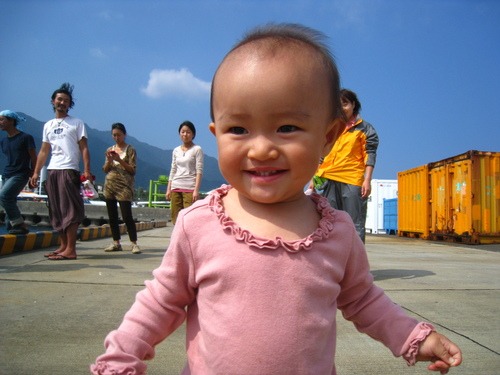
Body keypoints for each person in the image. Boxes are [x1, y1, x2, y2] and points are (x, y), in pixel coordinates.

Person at [91, 24, 461, 375]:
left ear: (328, 136)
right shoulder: (198, 224)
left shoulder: (338, 233)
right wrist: (121, 356)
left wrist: (415, 336)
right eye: (238, 129)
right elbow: (161, 301)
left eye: (286, 128)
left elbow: (364, 301)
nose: (262, 148)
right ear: (216, 134)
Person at [30, 83, 92, 261]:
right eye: (59, 99)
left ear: (70, 104)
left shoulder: (77, 123)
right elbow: (44, 151)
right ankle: (63, 245)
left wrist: (87, 169)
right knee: (56, 210)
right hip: (52, 170)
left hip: (69, 169)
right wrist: (35, 172)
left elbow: (84, 148)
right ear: (53, 101)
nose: (62, 102)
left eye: (66, 100)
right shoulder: (48, 125)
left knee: (70, 210)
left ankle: (71, 249)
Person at [312, 88, 379, 243]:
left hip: (351, 179)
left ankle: (355, 265)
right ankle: (333, 263)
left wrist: (367, 180)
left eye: (345, 103)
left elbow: (370, 154)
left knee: (354, 223)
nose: (342, 108)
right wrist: (313, 180)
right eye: (338, 104)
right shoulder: (331, 127)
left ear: (353, 105)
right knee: (328, 220)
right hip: (325, 178)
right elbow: (321, 155)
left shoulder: (365, 129)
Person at [102, 122, 141, 254]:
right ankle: (116, 242)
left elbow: (132, 170)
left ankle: (134, 243)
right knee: (112, 216)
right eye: (114, 135)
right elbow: (105, 169)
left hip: (124, 186)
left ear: (124, 135)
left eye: (119, 135)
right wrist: (109, 161)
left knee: (126, 216)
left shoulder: (130, 150)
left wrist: (119, 160)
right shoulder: (109, 150)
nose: (116, 137)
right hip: (110, 185)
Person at [0, 110, 37, 234]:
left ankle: (19, 224)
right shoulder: (3, 141)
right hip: (7, 174)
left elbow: (33, 157)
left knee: (4, 196)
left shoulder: (25, 138)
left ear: (11, 121)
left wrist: (34, 174)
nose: (0, 123)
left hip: (20, 174)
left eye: (2, 120)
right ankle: (11, 228)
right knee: (9, 200)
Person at [165, 120, 203, 224]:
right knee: (176, 219)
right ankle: (178, 240)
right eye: (182, 132)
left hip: (189, 188)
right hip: (175, 187)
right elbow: (173, 170)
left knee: (189, 218)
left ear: (193, 134)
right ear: (179, 133)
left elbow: (199, 171)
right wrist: (169, 189)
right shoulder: (176, 150)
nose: (185, 134)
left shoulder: (197, 149)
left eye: (188, 132)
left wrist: (196, 190)